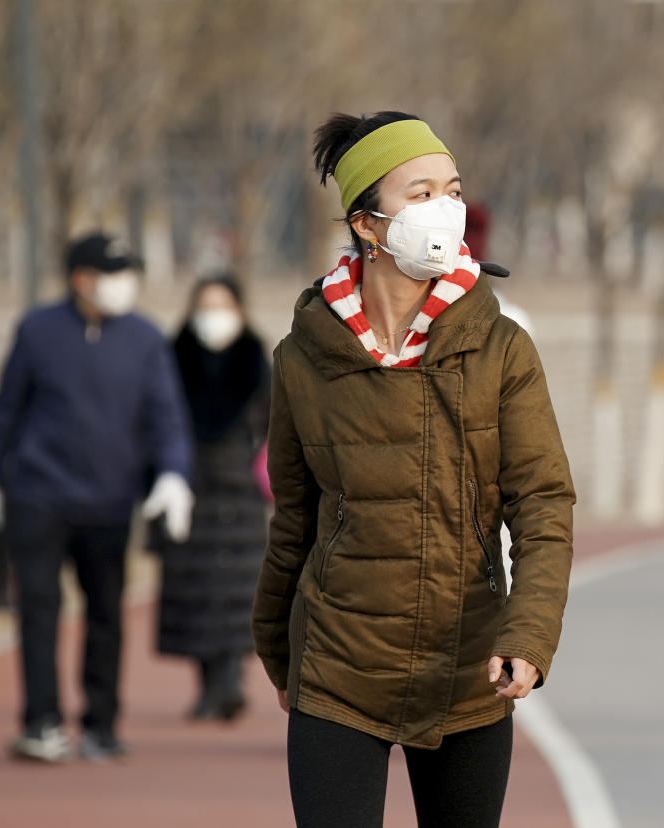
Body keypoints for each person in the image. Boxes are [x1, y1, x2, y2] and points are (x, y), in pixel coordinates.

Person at [252, 111, 575, 828]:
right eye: (420, 192)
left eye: (452, 189)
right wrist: (279, 652)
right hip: (338, 666)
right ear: (368, 224)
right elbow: (295, 521)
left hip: (467, 671)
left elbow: (544, 504)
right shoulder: (303, 356)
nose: (445, 209)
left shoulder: (500, 347)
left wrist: (528, 635)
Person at [0, 232, 194, 762]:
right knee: (39, 610)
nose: (124, 284)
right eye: (113, 273)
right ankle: (42, 722)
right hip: (38, 496)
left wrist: (174, 476)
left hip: (110, 502)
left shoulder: (144, 338)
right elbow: (4, 412)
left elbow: (167, 418)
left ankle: (101, 723)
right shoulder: (38, 331)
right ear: (80, 279)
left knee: (106, 615)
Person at [154, 275, 270, 721]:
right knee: (195, 590)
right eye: (205, 305)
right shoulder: (173, 357)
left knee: (237, 591)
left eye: (223, 304)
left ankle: (228, 682)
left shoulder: (257, 360)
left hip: (241, 490)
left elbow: (279, 423)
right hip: (187, 485)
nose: (214, 315)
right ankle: (207, 684)